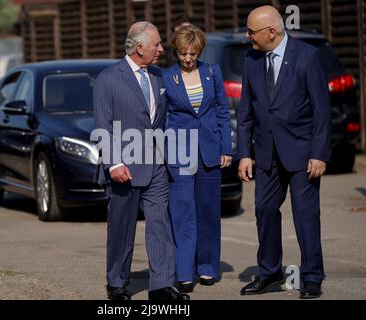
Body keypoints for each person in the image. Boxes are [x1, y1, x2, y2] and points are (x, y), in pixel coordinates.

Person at [237, 5, 331, 299]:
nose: (248, 36)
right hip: (266, 153)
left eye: (252, 31)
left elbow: (321, 110)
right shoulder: (251, 58)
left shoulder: (307, 56)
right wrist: (244, 153)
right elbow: (245, 111)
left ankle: (312, 276)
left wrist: (319, 153)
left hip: (303, 154)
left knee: (305, 216)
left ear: (271, 32)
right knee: (264, 211)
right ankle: (270, 272)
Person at [93, 21, 189, 301]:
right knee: (122, 229)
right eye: (156, 44)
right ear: (138, 48)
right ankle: (117, 285)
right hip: (124, 168)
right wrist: (114, 164)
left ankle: (160, 286)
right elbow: (103, 126)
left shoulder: (158, 77)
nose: (161, 49)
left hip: (156, 165)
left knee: (160, 226)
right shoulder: (108, 79)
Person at [161, 25, 232, 293]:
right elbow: (161, 116)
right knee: (182, 212)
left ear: (200, 51)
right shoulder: (166, 77)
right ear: (176, 52)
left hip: (210, 151)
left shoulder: (212, 72)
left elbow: (223, 111)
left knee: (209, 212)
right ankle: (184, 271)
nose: (188, 59)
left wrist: (227, 148)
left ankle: (207, 268)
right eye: (182, 53)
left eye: (192, 53)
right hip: (179, 151)